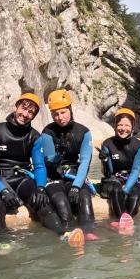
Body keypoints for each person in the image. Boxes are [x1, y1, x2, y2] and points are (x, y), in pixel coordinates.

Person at [0, 92, 65, 234]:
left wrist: (40, 188)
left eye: (31, 112)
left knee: (43, 203)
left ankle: (62, 235)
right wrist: (3, 191)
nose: (25, 114)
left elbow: (39, 166)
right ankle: (0, 245)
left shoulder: (34, 136)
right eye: (23, 108)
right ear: (16, 107)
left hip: (22, 180)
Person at [40, 89, 95, 231]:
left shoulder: (83, 132)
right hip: (54, 177)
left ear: (70, 109)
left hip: (74, 175)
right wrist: (58, 155)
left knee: (84, 197)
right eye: (55, 114)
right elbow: (49, 163)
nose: (60, 117)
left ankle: (89, 232)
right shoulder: (48, 132)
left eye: (63, 112)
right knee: (61, 202)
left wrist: (76, 186)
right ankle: (68, 233)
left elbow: (85, 161)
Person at [98, 108, 140, 218]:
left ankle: (127, 220)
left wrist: (127, 188)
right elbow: (107, 173)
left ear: (132, 126)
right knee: (116, 190)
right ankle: (120, 220)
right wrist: (105, 160)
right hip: (113, 180)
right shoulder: (107, 144)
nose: (123, 129)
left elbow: (136, 170)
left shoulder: (139, 146)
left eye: (127, 125)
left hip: (131, 179)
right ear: (115, 125)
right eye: (120, 125)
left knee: (134, 196)